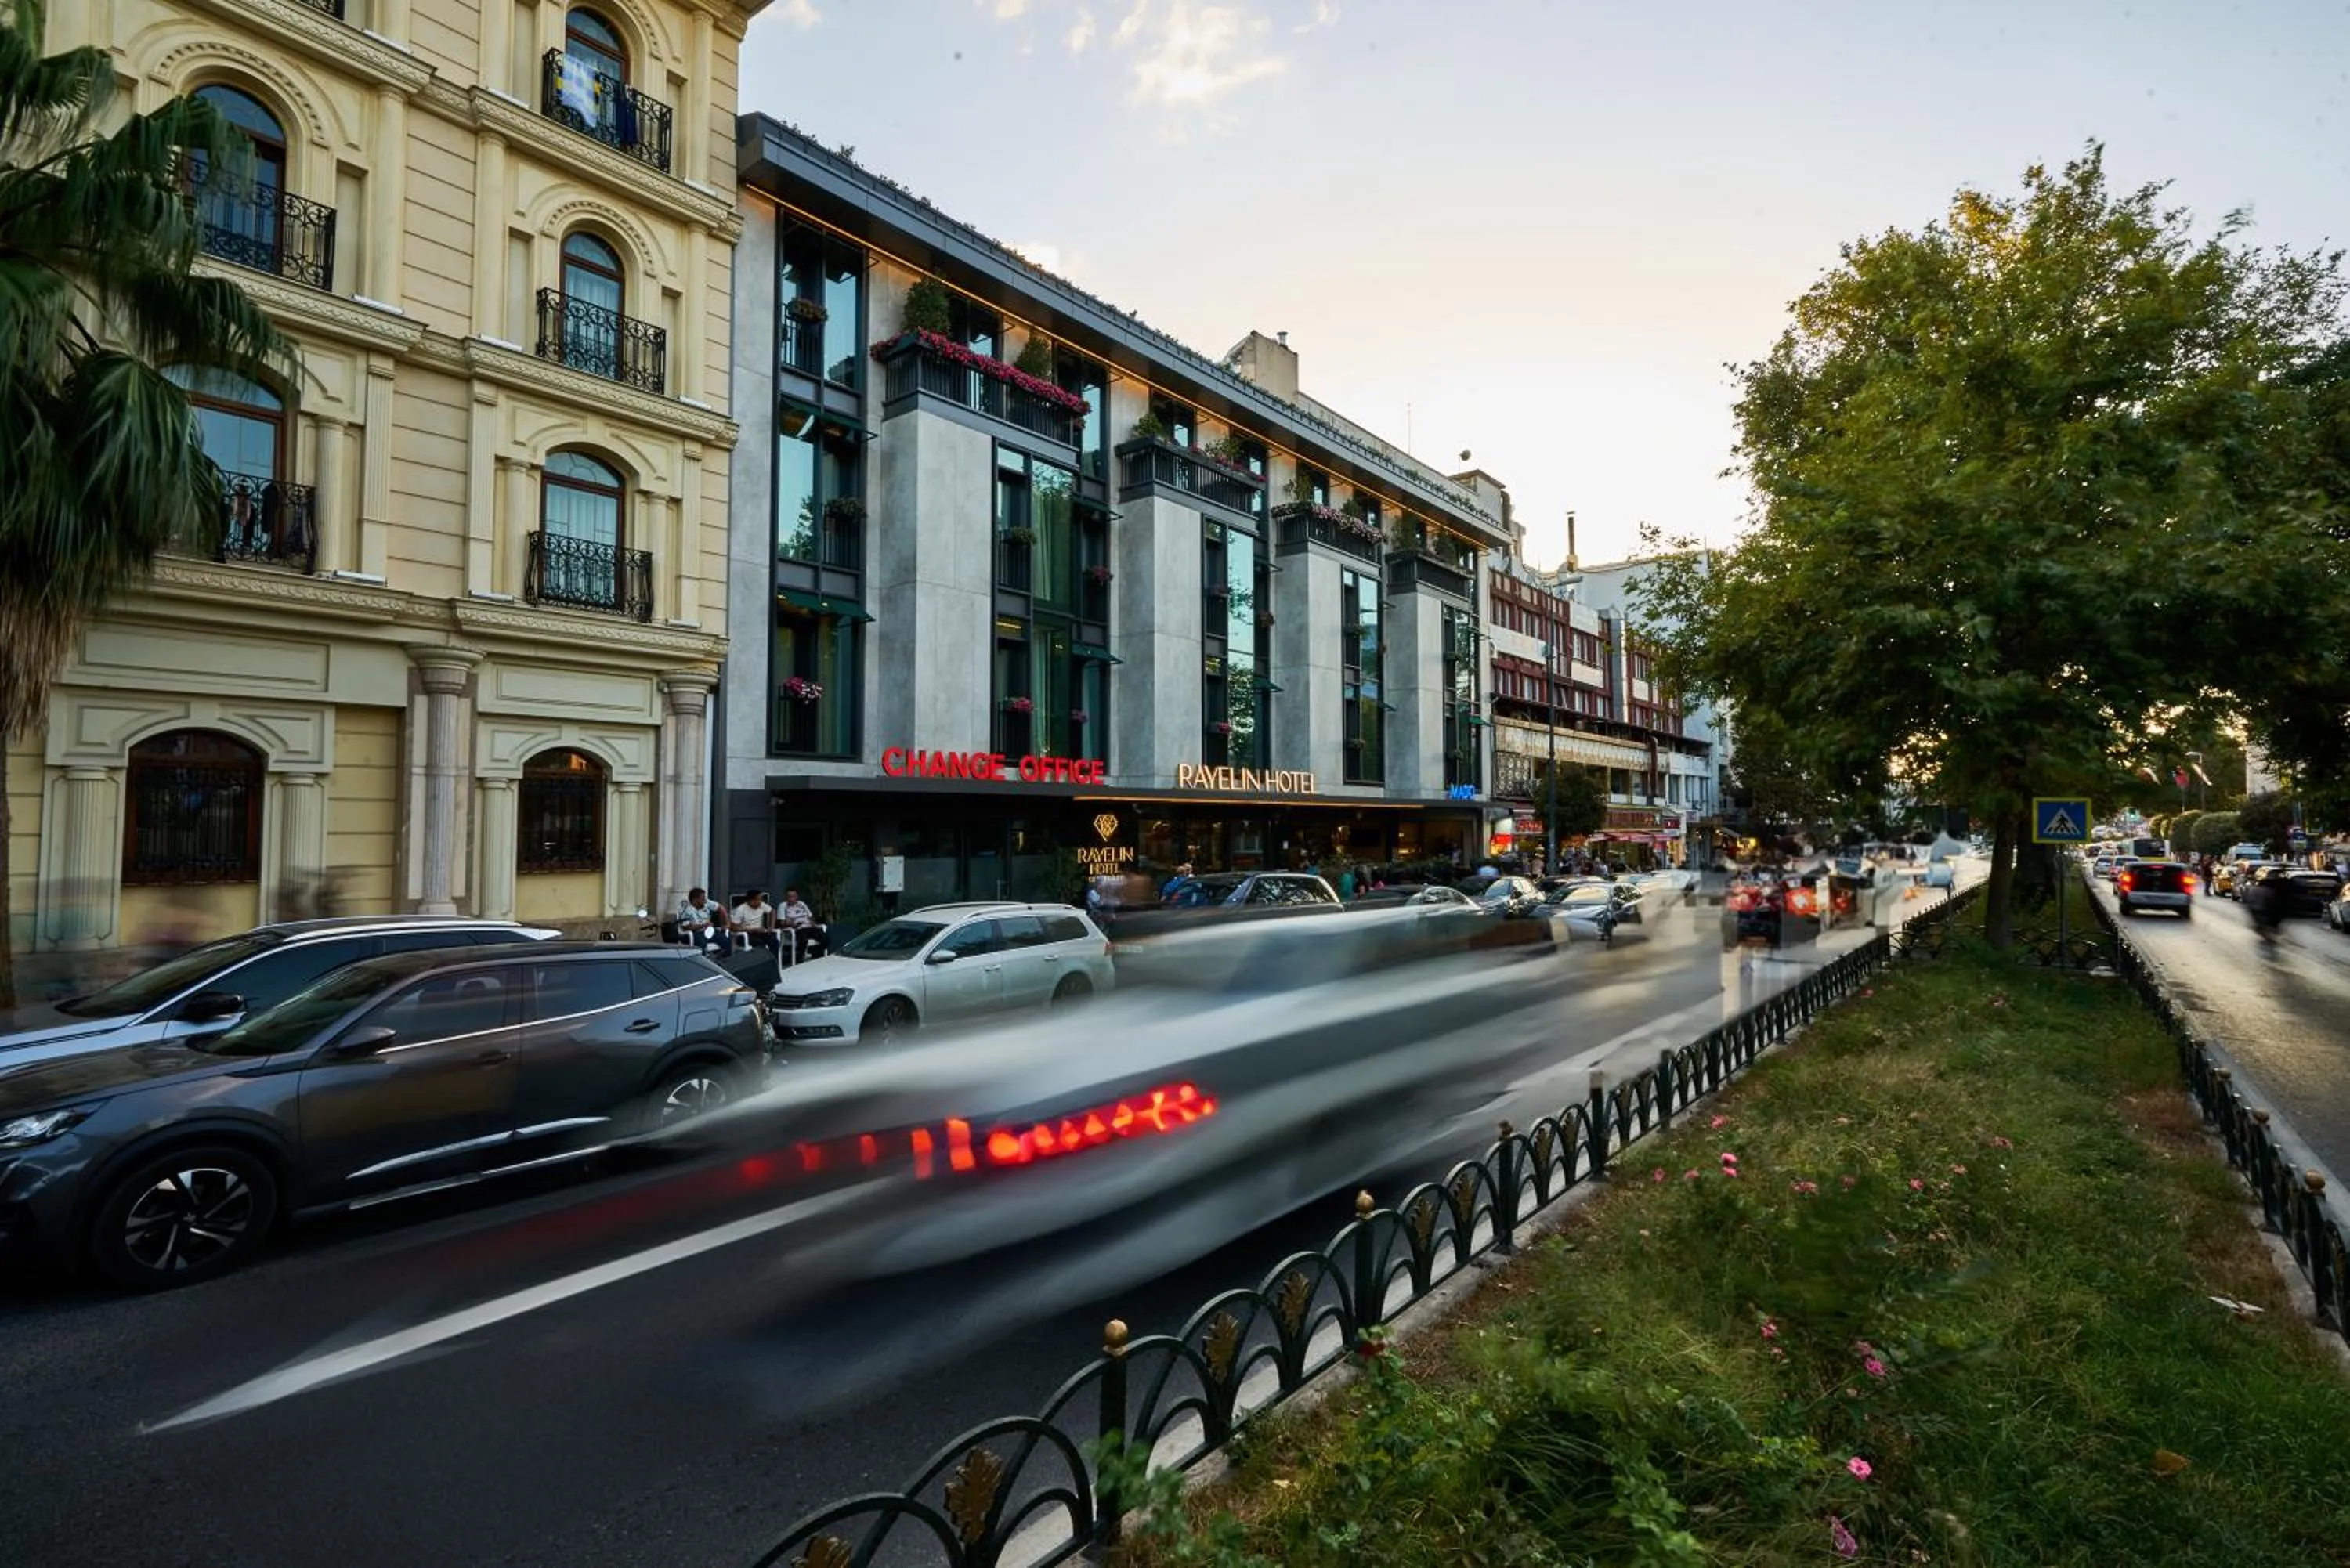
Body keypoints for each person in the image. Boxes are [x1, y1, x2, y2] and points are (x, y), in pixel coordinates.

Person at [676, 887, 725, 952]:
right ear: (695, 900)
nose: (705, 900)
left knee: (724, 939)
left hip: (706, 932)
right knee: (701, 941)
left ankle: (725, 959)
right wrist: (704, 925)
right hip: (693, 934)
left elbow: (720, 908)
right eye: (703, 899)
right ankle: (702, 959)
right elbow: (687, 927)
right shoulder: (686, 911)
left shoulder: (705, 906)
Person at [776, 886, 816, 962]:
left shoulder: (802, 904)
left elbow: (811, 916)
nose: (791, 899)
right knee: (803, 936)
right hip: (796, 929)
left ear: (797, 897)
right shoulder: (783, 906)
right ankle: (800, 957)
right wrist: (791, 924)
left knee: (824, 938)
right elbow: (781, 923)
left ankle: (816, 958)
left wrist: (813, 923)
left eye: (793, 896)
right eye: (789, 897)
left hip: (809, 927)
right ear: (786, 897)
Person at [732, 888, 777, 953]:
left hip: (760, 933)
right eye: (759, 899)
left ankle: (774, 961)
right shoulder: (741, 909)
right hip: (745, 935)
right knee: (760, 945)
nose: (761, 901)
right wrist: (752, 930)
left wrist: (771, 927)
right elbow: (733, 927)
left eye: (761, 899)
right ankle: (763, 961)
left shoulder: (761, 905)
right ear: (751, 901)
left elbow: (773, 911)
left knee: (774, 941)